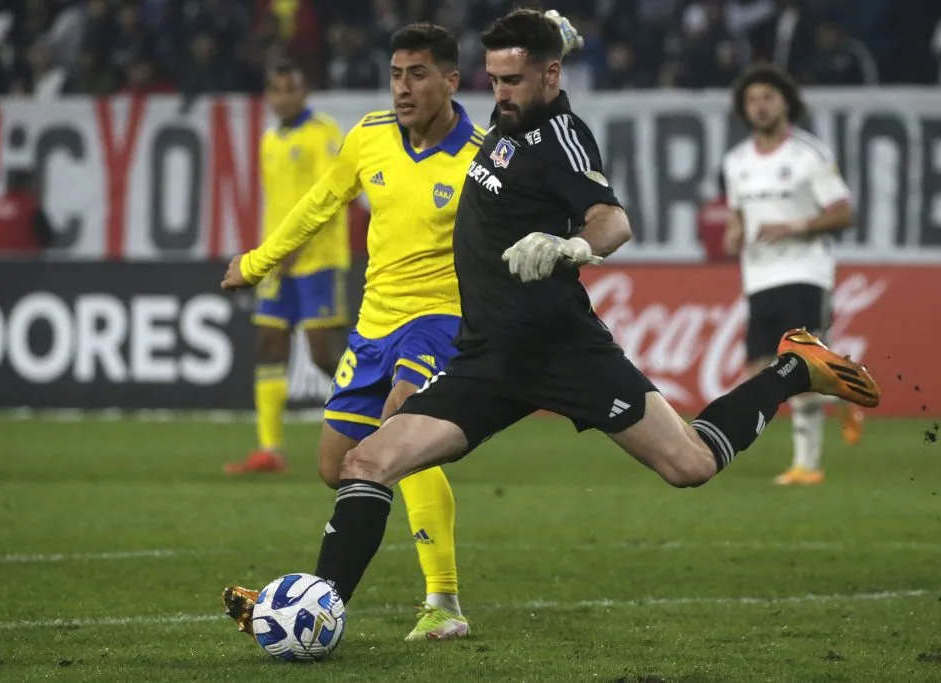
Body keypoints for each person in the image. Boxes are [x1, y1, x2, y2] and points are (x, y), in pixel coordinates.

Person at [222, 8, 881, 628]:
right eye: (494, 79)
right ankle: (314, 611)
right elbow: (515, 70)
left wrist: (574, 247)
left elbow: (612, 219)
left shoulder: (562, 138)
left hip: (563, 353)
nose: (500, 93)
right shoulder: (508, 115)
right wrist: (550, 33)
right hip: (485, 358)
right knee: (367, 461)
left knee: (691, 464)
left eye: (513, 80)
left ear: (551, 76)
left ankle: (794, 367)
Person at [221, 25, 490, 641]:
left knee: (401, 435)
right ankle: (317, 604)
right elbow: (318, 205)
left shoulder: (480, 156)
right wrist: (258, 263)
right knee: (336, 466)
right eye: (396, 74)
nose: (403, 88)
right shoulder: (368, 137)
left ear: (451, 80)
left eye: (417, 74)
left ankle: (440, 603)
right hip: (375, 324)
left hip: (438, 322)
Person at [722, 63, 861, 486]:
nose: (760, 106)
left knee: (798, 365)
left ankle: (807, 465)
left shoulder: (808, 154)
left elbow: (844, 213)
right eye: (752, 100)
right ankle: (844, 387)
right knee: (759, 368)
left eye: (768, 97)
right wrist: (734, 232)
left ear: (786, 103)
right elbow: (738, 215)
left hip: (805, 271)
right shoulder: (736, 161)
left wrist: (795, 226)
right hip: (758, 277)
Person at [224, 61, 351, 475]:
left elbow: (333, 195)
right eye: (275, 90)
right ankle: (270, 449)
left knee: (323, 355)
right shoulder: (269, 139)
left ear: (304, 91)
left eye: (289, 89)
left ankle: (382, 423)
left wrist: (297, 245)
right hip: (278, 261)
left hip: (318, 260)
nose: (282, 98)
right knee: (268, 343)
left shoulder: (323, 133)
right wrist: (273, 251)